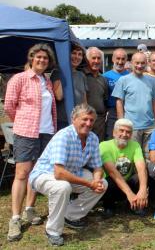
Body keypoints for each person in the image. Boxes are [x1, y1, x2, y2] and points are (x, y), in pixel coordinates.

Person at [28, 104, 107, 246]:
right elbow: (58, 173)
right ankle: (53, 231)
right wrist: (90, 184)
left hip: (71, 172)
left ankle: (70, 215)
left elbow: (97, 166)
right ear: (74, 119)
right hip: (45, 174)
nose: (88, 123)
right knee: (62, 187)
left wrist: (96, 181)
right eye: (85, 119)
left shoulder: (93, 138)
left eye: (91, 120)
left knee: (103, 183)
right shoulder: (63, 136)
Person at [5, 43, 57, 242]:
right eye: (39, 57)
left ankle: (30, 208)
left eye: (45, 58)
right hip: (27, 132)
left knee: (37, 173)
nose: (42, 61)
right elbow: (10, 105)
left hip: (46, 132)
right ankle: (15, 218)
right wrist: (22, 122)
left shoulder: (47, 81)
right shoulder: (19, 79)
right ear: (32, 58)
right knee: (21, 173)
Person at [99, 119, 148, 217]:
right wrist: (129, 193)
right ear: (114, 132)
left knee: (140, 176)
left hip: (127, 183)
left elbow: (141, 167)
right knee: (108, 181)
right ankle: (109, 206)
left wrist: (143, 189)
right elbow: (112, 172)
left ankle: (135, 205)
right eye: (121, 130)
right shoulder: (104, 145)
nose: (125, 134)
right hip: (111, 187)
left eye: (128, 132)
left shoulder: (135, 145)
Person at [112, 52, 155, 153]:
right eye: (137, 63)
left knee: (148, 155)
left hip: (149, 126)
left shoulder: (151, 81)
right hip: (132, 126)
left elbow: (154, 101)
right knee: (132, 154)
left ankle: (146, 170)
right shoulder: (123, 80)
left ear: (146, 63)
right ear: (132, 63)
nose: (139, 66)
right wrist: (121, 121)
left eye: (142, 63)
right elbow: (119, 101)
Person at [51, 45, 88, 130]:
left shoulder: (81, 75)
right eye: (74, 53)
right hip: (63, 120)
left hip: (79, 119)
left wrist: (85, 116)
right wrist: (64, 71)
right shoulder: (57, 72)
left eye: (80, 54)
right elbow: (59, 96)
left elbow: (84, 100)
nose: (77, 57)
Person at [103, 48, 129, 139]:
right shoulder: (105, 77)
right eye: (118, 58)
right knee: (111, 137)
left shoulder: (130, 76)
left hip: (128, 111)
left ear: (126, 60)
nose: (120, 61)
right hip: (112, 112)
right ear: (113, 59)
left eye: (123, 59)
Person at [84, 47, 108, 141]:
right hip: (85, 118)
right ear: (87, 59)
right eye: (93, 58)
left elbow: (105, 99)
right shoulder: (82, 75)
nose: (96, 61)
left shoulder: (103, 79)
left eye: (99, 58)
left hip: (99, 120)